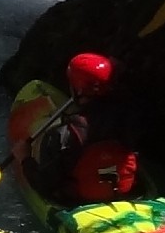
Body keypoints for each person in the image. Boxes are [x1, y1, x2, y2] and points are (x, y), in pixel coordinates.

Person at [27, 52, 144, 206]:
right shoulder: (132, 117)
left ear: (75, 88)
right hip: (122, 193)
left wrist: (24, 159)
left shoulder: (63, 135)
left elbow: (44, 186)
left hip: (78, 201)